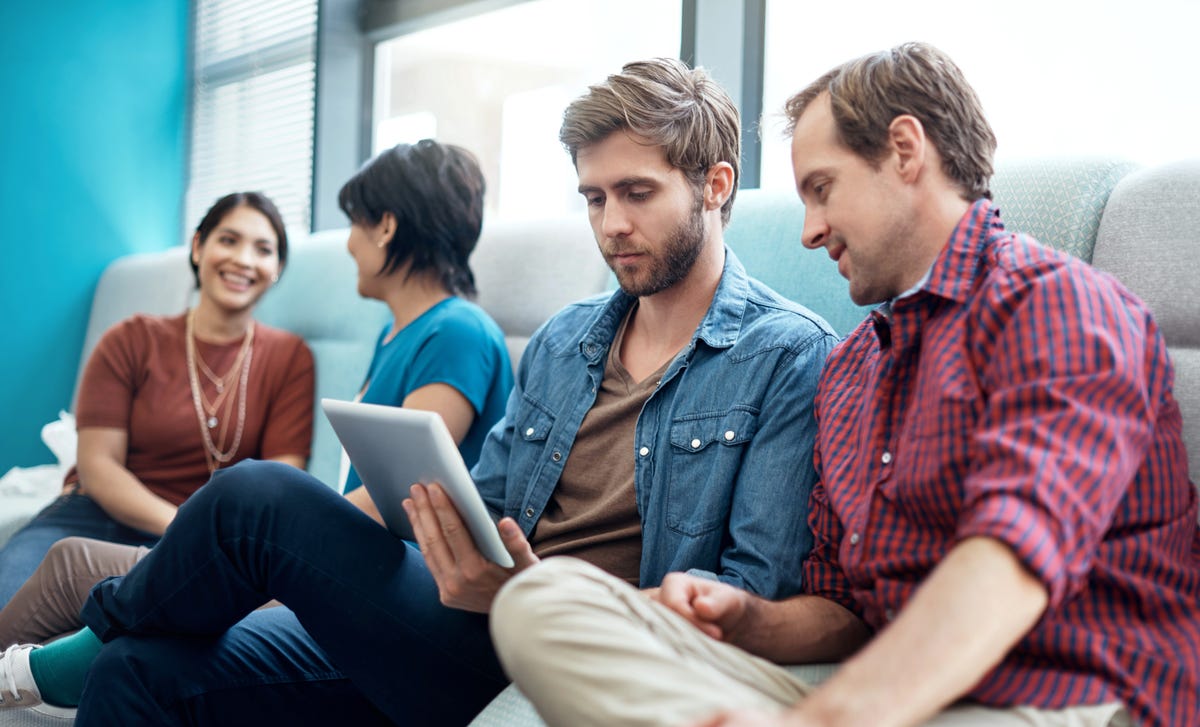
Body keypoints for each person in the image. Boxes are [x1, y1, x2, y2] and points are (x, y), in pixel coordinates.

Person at [1, 58, 836, 726]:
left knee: (254, 494)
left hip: (555, 643)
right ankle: (93, 650)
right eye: (593, 196)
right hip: (452, 619)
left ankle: (48, 660)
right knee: (136, 672)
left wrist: (523, 592)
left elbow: (745, 598)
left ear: (716, 186)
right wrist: (450, 534)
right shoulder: (567, 336)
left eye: (637, 193)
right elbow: (492, 495)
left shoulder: (785, 356)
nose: (611, 223)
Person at [490, 42, 1200, 727]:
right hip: (883, 687)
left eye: (822, 190)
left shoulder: (1057, 306)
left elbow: (1014, 553)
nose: (808, 230)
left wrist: (831, 715)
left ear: (904, 150)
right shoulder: (855, 367)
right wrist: (749, 617)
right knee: (545, 603)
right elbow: (843, 607)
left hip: (1070, 690)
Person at [0, 140, 514, 710]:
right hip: (346, 564)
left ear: (386, 227)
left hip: (378, 582)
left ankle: (36, 674)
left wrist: (261, 544)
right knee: (114, 631)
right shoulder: (397, 334)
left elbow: (405, 496)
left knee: (75, 565)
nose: (348, 244)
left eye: (354, 224)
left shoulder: (458, 333)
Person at [0, 191, 315, 612]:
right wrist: (183, 528)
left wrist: (204, 539)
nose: (244, 259)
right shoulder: (131, 339)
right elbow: (97, 467)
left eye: (264, 249)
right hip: (94, 517)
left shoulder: (289, 358)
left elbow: (280, 481)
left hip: (213, 541)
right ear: (198, 247)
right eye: (228, 240)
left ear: (277, 269)